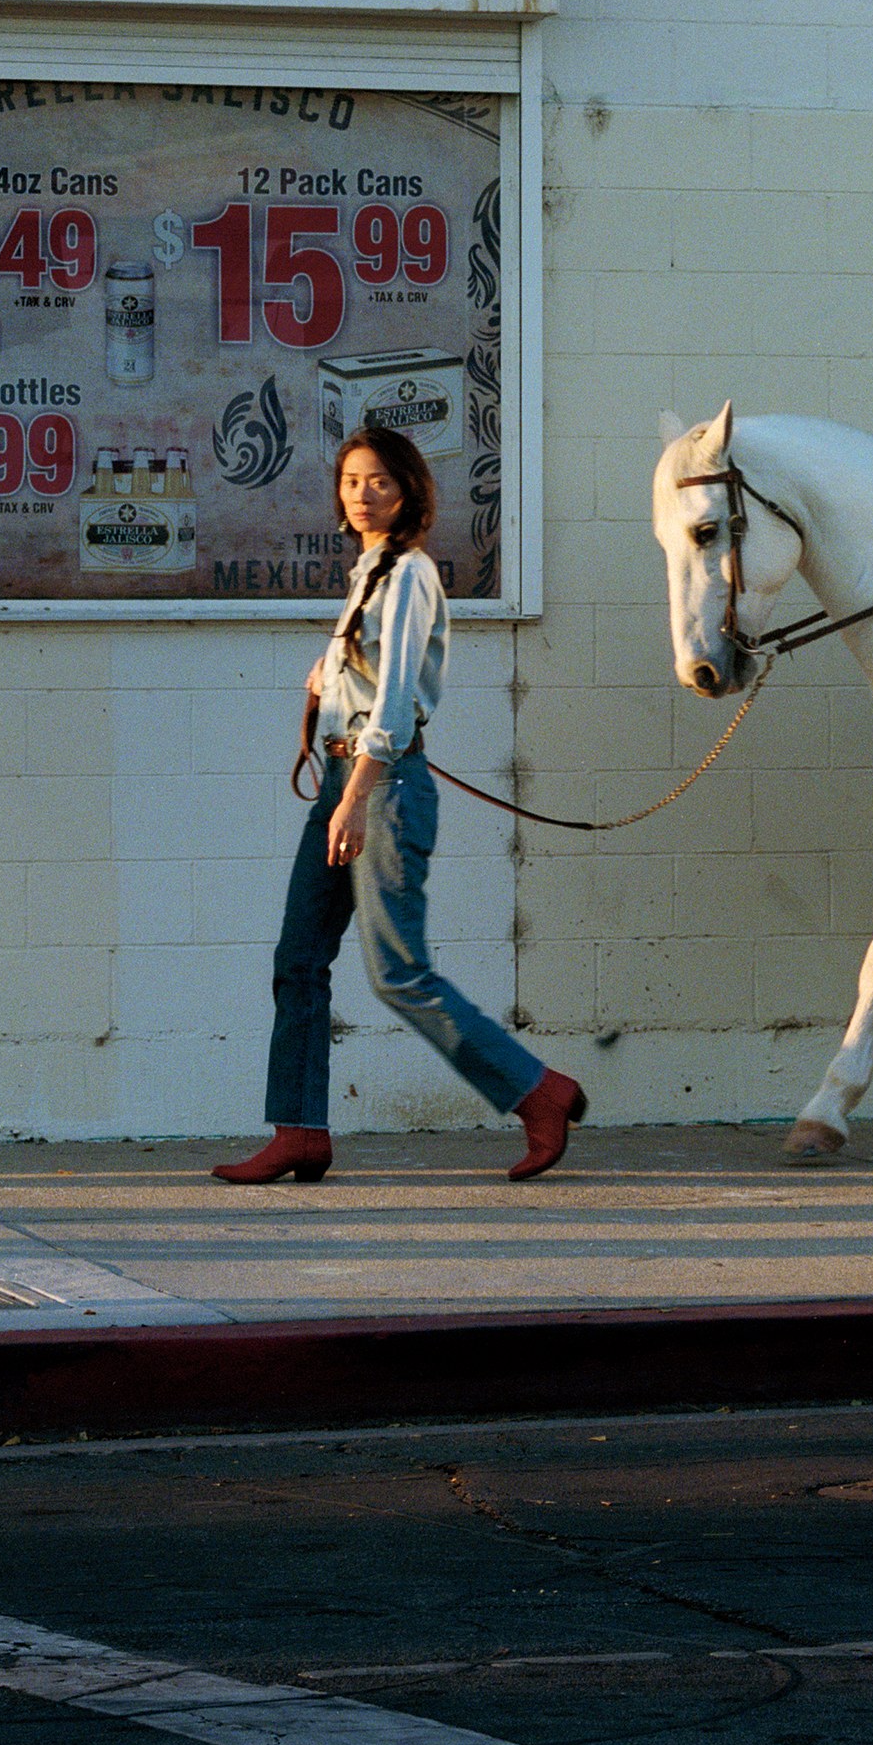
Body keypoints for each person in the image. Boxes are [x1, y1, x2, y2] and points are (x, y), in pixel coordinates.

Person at [216, 424, 587, 1186]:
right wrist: (324, 684)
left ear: (409, 489)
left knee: (398, 971)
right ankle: (299, 1130)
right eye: (352, 480)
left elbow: (392, 702)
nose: (362, 493)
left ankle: (538, 1090)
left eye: (379, 480)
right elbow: (364, 681)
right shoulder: (370, 573)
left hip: (380, 786)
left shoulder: (412, 572)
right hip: (343, 780)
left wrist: (354, 797)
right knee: (298, 958)